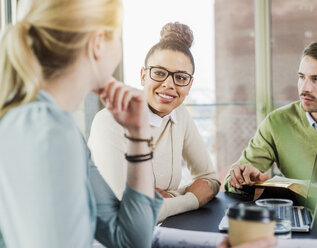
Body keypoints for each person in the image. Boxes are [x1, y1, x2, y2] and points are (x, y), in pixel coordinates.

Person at [0, 0, 163, 247]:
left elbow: (129, 240)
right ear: (98, 43)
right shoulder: (51, 132)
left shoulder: (59, 130)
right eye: (118, 38)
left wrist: (138, 134)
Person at [88, 22, 220, 222]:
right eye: (159, 73)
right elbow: (132, 213)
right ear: (143, 76)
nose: (169, 84)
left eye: (181, 77)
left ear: (189, 85)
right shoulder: (108, 122)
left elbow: (210, 180)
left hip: (162, 230)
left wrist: (166, 199)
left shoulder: (180, 115)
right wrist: (192, 198)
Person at [225, 39, 317, 198]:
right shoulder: (277, 122)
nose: (304, 88)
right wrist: (242, 178)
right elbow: (230, 183)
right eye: (302, 77)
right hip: (300, 215)